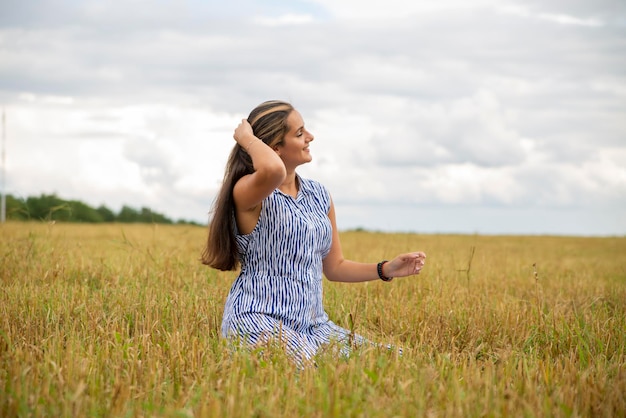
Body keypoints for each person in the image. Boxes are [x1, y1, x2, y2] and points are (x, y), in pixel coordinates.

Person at [202, 100, 426, 365]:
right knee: (314, 374)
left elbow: (335, 267)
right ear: (274, 148)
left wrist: (386, 268)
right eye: (299, 133)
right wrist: (246, 139)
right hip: (258, 319)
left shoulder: (319, 195)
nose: (310, 137)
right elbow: (273, 170)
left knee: (399, 362)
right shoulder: (248, 192)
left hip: (315, 327)